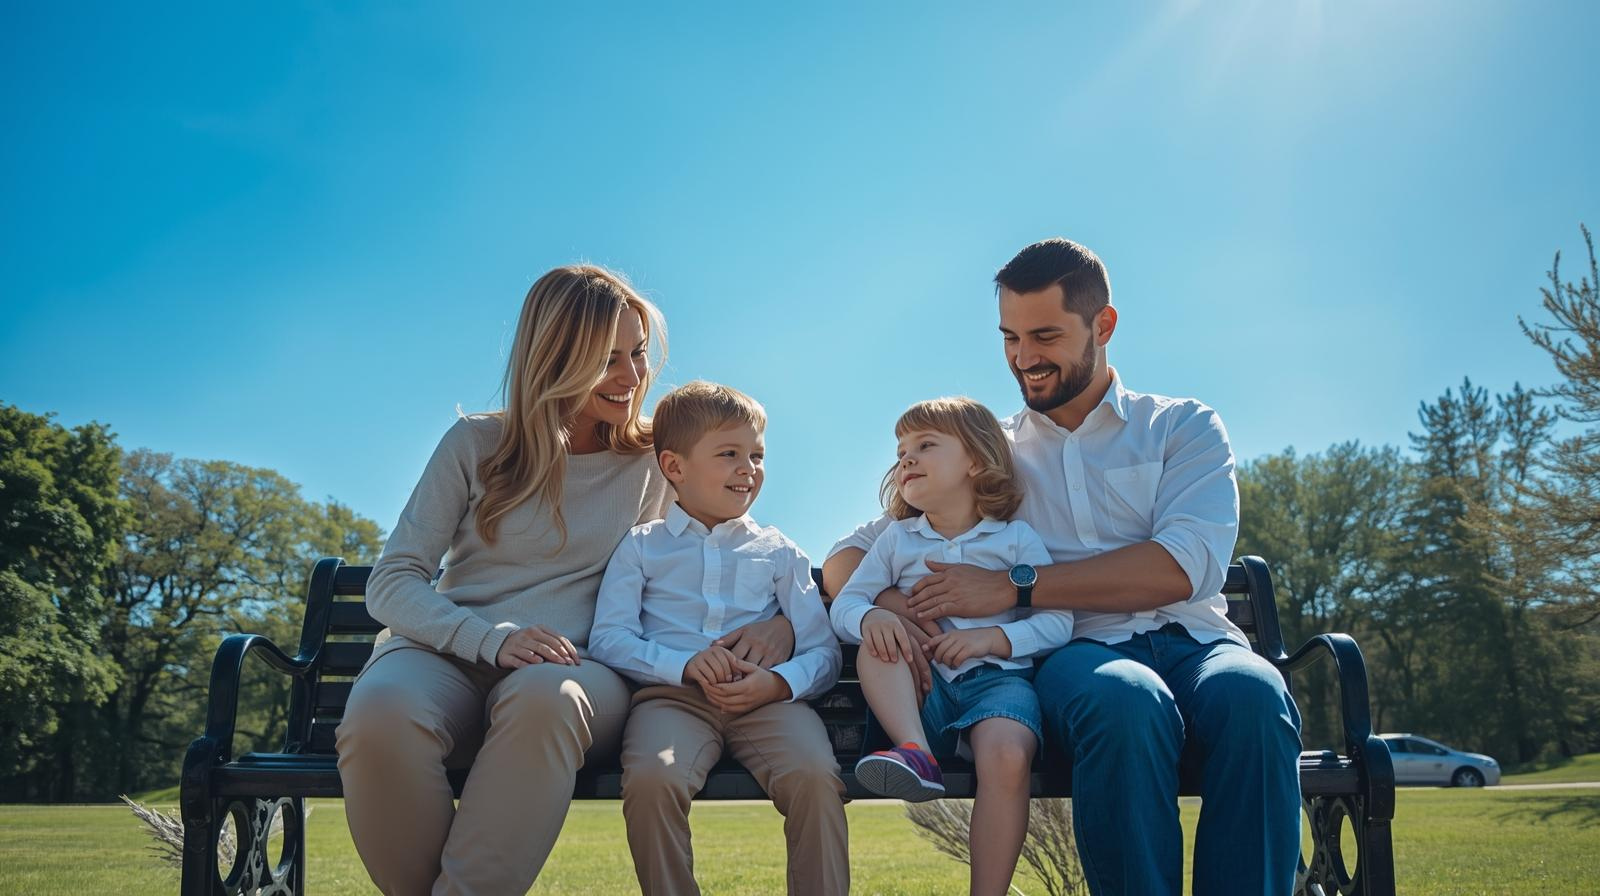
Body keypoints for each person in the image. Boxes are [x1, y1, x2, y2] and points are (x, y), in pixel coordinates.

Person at [823, 239, 1303, 896]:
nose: (1024, 358)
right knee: (1125, 700)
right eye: (1010, 338)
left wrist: (1012, 586)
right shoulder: (990, 451)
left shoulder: (1181, 428)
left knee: (1256, 696)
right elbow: (848, 558)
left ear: (1102, 325)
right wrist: (898, 608)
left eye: (1045, 336)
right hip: (1079, 653)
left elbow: (1183, 567)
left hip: (1199, 642)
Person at [336, 268, 794, 896]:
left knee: (546, 698)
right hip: (446, 654)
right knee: (381, 713)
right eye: (608, 360)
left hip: (579, 670)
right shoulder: (476, 443)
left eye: (638, 354)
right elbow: (393, 580)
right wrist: (491, 639)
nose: (632, 377)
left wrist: (782, 622)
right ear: (554, 357)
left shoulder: (658, 459)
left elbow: (735, 552)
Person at [590, 380, 848, 896]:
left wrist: (777, 684)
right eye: (729, 454)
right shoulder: (642, 547)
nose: (748, 468)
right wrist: (682, 666)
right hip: (672, 702)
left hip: (771, 706)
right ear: (674, 466)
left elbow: (822, 651)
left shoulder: (780, 552)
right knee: (653, 779)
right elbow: (609, 639)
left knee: (815, 777)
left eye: (757, 456)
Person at [829, 396, 1071, 896]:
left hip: (999, 685)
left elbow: (1058, 620)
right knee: (881, 638)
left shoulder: (1015, 539)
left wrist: (994, 638)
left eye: (925, 446)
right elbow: (846, 602)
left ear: (976, 461)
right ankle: (914, 751)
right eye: (901, 451)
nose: (906, 459)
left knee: (1008, 755)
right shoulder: (897, 540)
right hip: (919, 696)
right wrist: (874, 615)